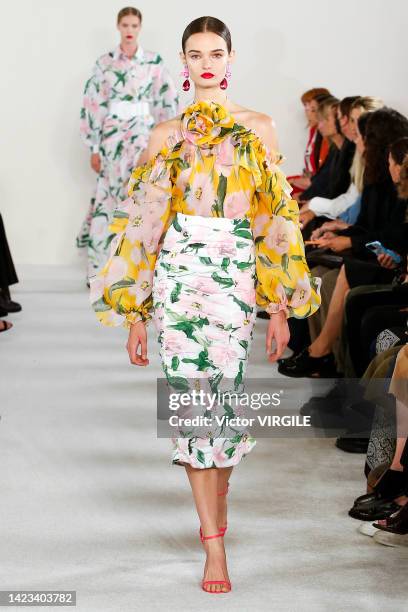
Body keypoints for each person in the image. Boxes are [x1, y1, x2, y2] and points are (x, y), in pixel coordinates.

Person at [89, 16, 321, 594]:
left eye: (215, 52)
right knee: (195, 412)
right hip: (181, 278)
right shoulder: (165, 136)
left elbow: (274, 224)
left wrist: (281, 309)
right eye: (195, 54)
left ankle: (215, 517)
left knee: (225, 408)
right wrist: (137, 314)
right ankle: (214, 546)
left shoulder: (260, 129)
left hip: (234, 278)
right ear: (183, 63)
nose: (206, 63)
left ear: (231, 58)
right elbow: (143, 228)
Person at [77, 6, 179, 282]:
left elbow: (167, 102)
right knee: (107, 199)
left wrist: (165, 144)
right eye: (125, 25)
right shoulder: (105, 63)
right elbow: (92, 104)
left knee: (143, 198)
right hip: (112, 142)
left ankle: (139, 269)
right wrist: (94, 147)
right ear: (118, 27)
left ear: (140, 27)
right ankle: (98, 271)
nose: (130, 30)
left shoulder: (153, 62)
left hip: (143, 140)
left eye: (134, 25)